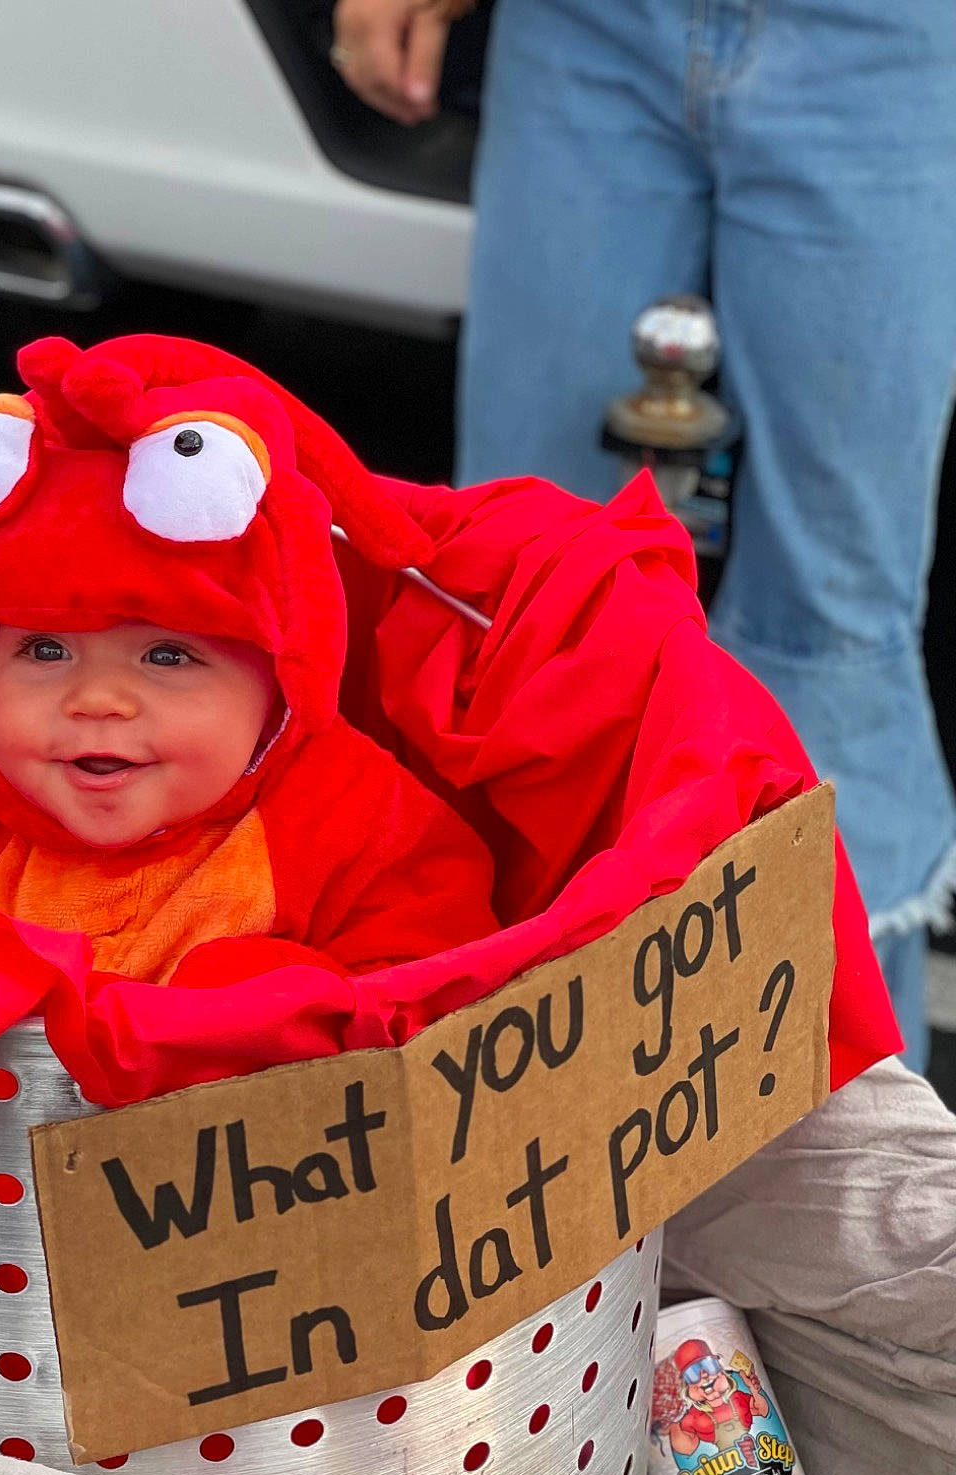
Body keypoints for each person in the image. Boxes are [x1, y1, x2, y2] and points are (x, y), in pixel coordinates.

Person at [330, 0, 956, 1068]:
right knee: (512, 588)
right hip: (584, 26)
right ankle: (493, 1081)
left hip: (886, 39)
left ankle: (851, 1102)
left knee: (834, 614)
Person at [0, 332, 500, 984]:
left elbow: (433, 970)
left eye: (166, 655)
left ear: (280, 683)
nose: (97, 700)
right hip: (13, 1092)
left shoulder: (348, 809)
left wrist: (267, 1004)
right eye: (45, 649)